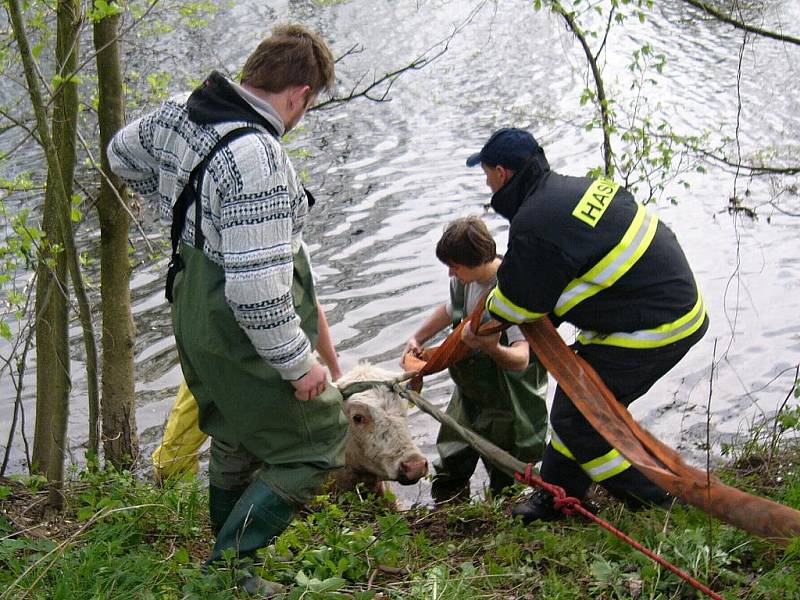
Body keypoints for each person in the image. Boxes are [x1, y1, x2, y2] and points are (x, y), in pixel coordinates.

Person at [108, 24, 347, 594]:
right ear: (299, 94)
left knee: (234, 429)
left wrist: (171, 199)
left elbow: (120, 154)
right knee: (320, 441)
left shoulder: (181, 111)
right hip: (239, 324)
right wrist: (300, 364)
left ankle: (236, 574)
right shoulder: (258, 158)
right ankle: (227, 566)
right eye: (307, 106)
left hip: (191, 306)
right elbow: (257, 295)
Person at [465, 128, 709, 522]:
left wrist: (486, 318)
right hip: (671, 309)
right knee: (575, 405)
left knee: (578, 420)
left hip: (656, 327)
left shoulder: (533, 221)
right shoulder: (573, 191)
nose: (487, 183)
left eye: (487, 174)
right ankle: (557, 496)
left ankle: (656, 503)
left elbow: (516, 304)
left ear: (503, 173)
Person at [403, 216, 548, 503]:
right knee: (450, 464)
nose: (450, 274)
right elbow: (450, 309)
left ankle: (504, 522)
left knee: (507, 476)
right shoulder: (463, 281)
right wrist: (418, 338)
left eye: (454, 267)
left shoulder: (510, 292)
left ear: (477, 261)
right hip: (468, 393)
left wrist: (490, 347)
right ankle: (447, 510)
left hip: (509, 400)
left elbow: (521, 358)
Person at [151, 298, 343, 482]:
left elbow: (310, 302)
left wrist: (335, 372)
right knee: (171, 462)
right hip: (212, 360)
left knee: (269, 454)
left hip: (264, 363)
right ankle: (178, 498)